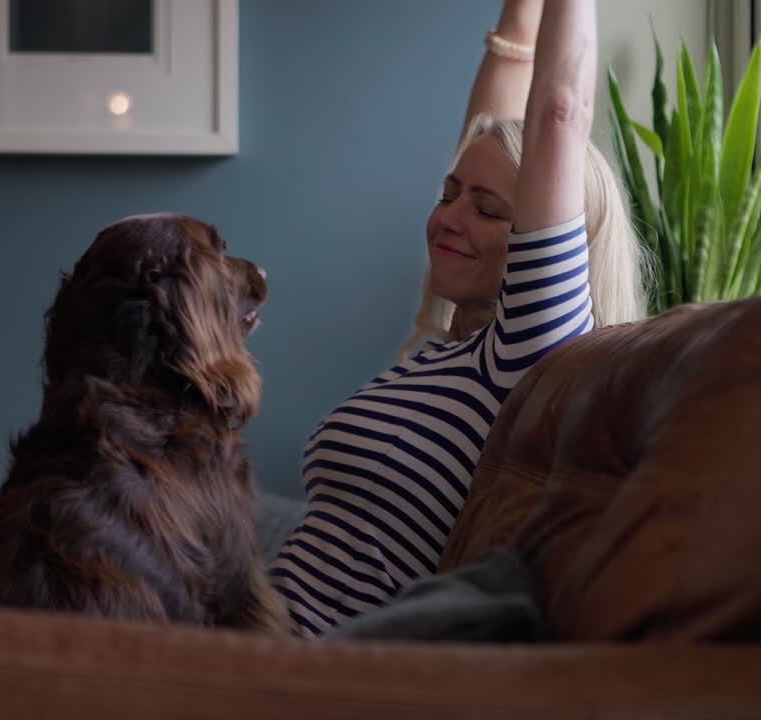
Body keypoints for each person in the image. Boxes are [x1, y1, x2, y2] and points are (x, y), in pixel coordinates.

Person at [268, 0, 650, 637]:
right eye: (448, 195)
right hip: (255, 636)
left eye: (487, 209)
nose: (448, 217)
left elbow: (557, 113)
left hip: (314, 662)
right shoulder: (453, 357)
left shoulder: (529, 358)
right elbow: (492, 134)